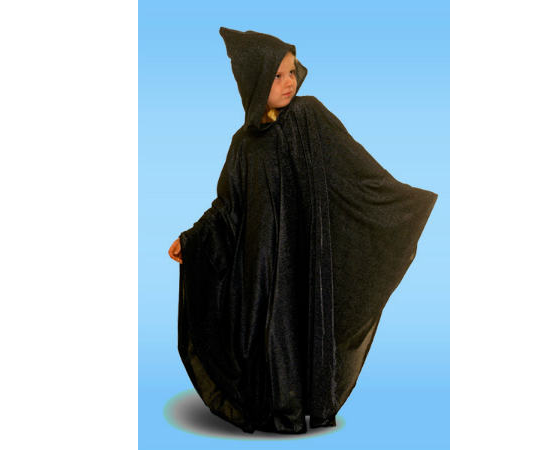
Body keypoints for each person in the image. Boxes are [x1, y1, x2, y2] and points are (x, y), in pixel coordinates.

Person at [168, 27, 438, 434]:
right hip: (263, 270)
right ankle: (278, 405)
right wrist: (190, 239)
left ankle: (304, 400)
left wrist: (403, 201)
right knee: (270, 330)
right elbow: (228, 207)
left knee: (302, 320)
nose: (288, 81)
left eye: (291, 71)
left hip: (304, 256)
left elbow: (355, 169)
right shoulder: (243, 145)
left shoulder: (309, 117)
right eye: (276, 75)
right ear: (254, 79)